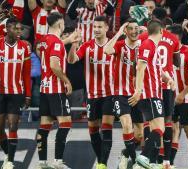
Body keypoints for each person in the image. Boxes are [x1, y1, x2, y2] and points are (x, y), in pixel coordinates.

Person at [0, 18, 31, 169]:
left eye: (20, 29)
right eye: (16, 29)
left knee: (13, 125)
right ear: (7, 29)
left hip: (16, 93)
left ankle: (10, 161)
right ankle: (7, 154)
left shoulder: (24, 47)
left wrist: (28, 95)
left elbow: (26, 73)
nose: (19, 32)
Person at [68, 16, 115, 169]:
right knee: (93, 131)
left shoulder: (113, 46)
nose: (96, 29)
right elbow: (72, 60)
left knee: (106, 129)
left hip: (109, 94)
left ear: (107, 28)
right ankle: (102, 161)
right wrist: (74, 45)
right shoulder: (87, 46)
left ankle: (102, 163)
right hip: (92, 95)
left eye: (100, 27)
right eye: (94, 27)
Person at [128, 19, 169, 169]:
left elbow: (154, 67)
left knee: (155, 129)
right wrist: (138, 90)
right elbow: (140, 67)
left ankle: (147, 162)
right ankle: (143, 157)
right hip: (149, 94)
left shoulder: (153, 46)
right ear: (162, 31)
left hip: (153, 93)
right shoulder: (148, 44)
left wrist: (167, 78)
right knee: (160, 128)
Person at [35, 12, 74, 169]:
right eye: (63, 23)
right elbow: (54, 65)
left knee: (44, 126)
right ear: (59, 24)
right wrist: (67, 82)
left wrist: (68, 40)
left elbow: (44, 51)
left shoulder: (44, 41)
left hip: (44, 89)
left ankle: (42, 162)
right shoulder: (56, 42)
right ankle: (58, 161)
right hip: (56, 89)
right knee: (65, 123)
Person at [104, 18, 143, 168]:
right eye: (130, 29)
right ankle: (135, 162)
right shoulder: (120, 45)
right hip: (120, 93)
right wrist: (119, 32)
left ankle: (126, 154)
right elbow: (107, 50)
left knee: (139, 135)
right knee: (127, 125)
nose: (134, 31)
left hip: (138, 94)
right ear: (126, 31)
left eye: (136, 29)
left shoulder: (143, 46)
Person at [167, 24, 188, 168]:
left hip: (185, 99)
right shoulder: (164, 52)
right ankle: (170, 164)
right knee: (172, 130)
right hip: (169, 98)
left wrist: (183, 93)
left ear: (175, 37)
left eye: (168, 35)